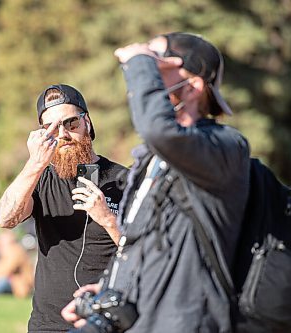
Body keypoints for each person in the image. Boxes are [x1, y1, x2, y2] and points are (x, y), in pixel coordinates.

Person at [62, 32, 251, 332]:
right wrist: (113, 289)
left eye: (157, 69)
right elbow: (142, 243)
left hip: (188, 322)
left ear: (193, 88)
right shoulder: (156, 161)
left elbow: (158, 129)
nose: (144, 80)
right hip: (145, 317)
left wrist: (139, 61)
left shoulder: (223, 148)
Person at [0, 84, 127, 332]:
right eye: (52, 128)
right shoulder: (40, 178)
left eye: (71, 123)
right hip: (48, 324)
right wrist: (34, 164)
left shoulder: (126, 180)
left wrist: (108, 219)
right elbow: (5, 218)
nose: (63, 134)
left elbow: (143, 251)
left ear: (87, 122)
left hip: (105, 321)